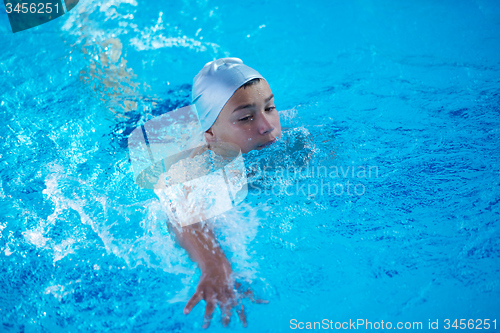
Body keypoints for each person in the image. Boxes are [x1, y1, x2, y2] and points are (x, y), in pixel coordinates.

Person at [158, 58, 281, 329]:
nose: (266, 126)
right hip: (150, 123)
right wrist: (214, 263)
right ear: (210, 134)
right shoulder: (198, 163)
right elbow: (179, 208)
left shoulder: (278, 138)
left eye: (270, 107)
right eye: (247, 117)